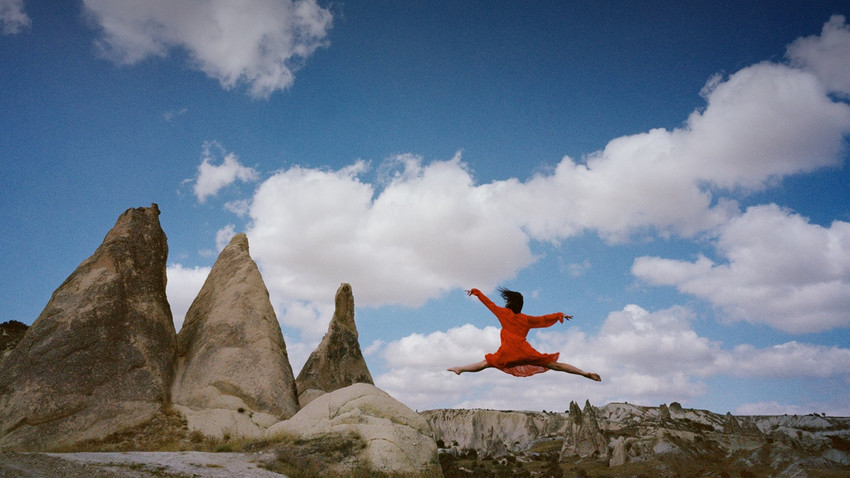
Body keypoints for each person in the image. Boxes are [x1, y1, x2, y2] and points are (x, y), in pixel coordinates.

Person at [447, 287, 601, 381]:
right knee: (556, 365)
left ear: (509, 303)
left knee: (485, 363)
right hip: (524, 352)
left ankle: (460, 369)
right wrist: (559, 315)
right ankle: (584, 373)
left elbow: (490, 304)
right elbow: (544, 319)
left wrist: (477, 292)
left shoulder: (503, 313)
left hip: (507, 353)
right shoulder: (526, 319)